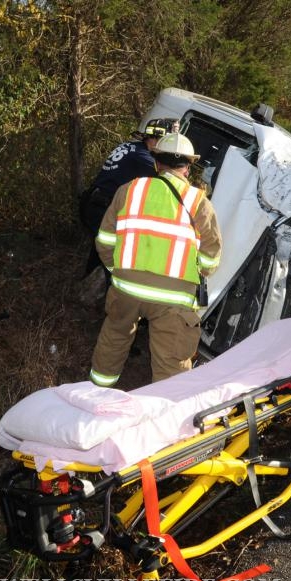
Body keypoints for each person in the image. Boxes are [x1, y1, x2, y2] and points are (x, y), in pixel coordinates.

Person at [89, 133, 222, 386]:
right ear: (188, 166)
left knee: (114, 337)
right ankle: (165, 413)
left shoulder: (129, 190)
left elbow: (104, 241)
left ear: (157, 163)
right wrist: (192, 272)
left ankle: (95, 394)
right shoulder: (199, 202)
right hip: (173, 299)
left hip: (127, 288)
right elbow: (210, 259)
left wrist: (118, 271)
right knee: (171, 363)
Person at [79, 118, 180, 279]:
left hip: (95, 202)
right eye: (166, 142)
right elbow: (168, 178)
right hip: (102, 205)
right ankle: (106, 292)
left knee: (100, 247)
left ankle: (86, 282)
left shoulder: (132, 147)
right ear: (156, 138)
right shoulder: (144, 157)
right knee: (114, 253)